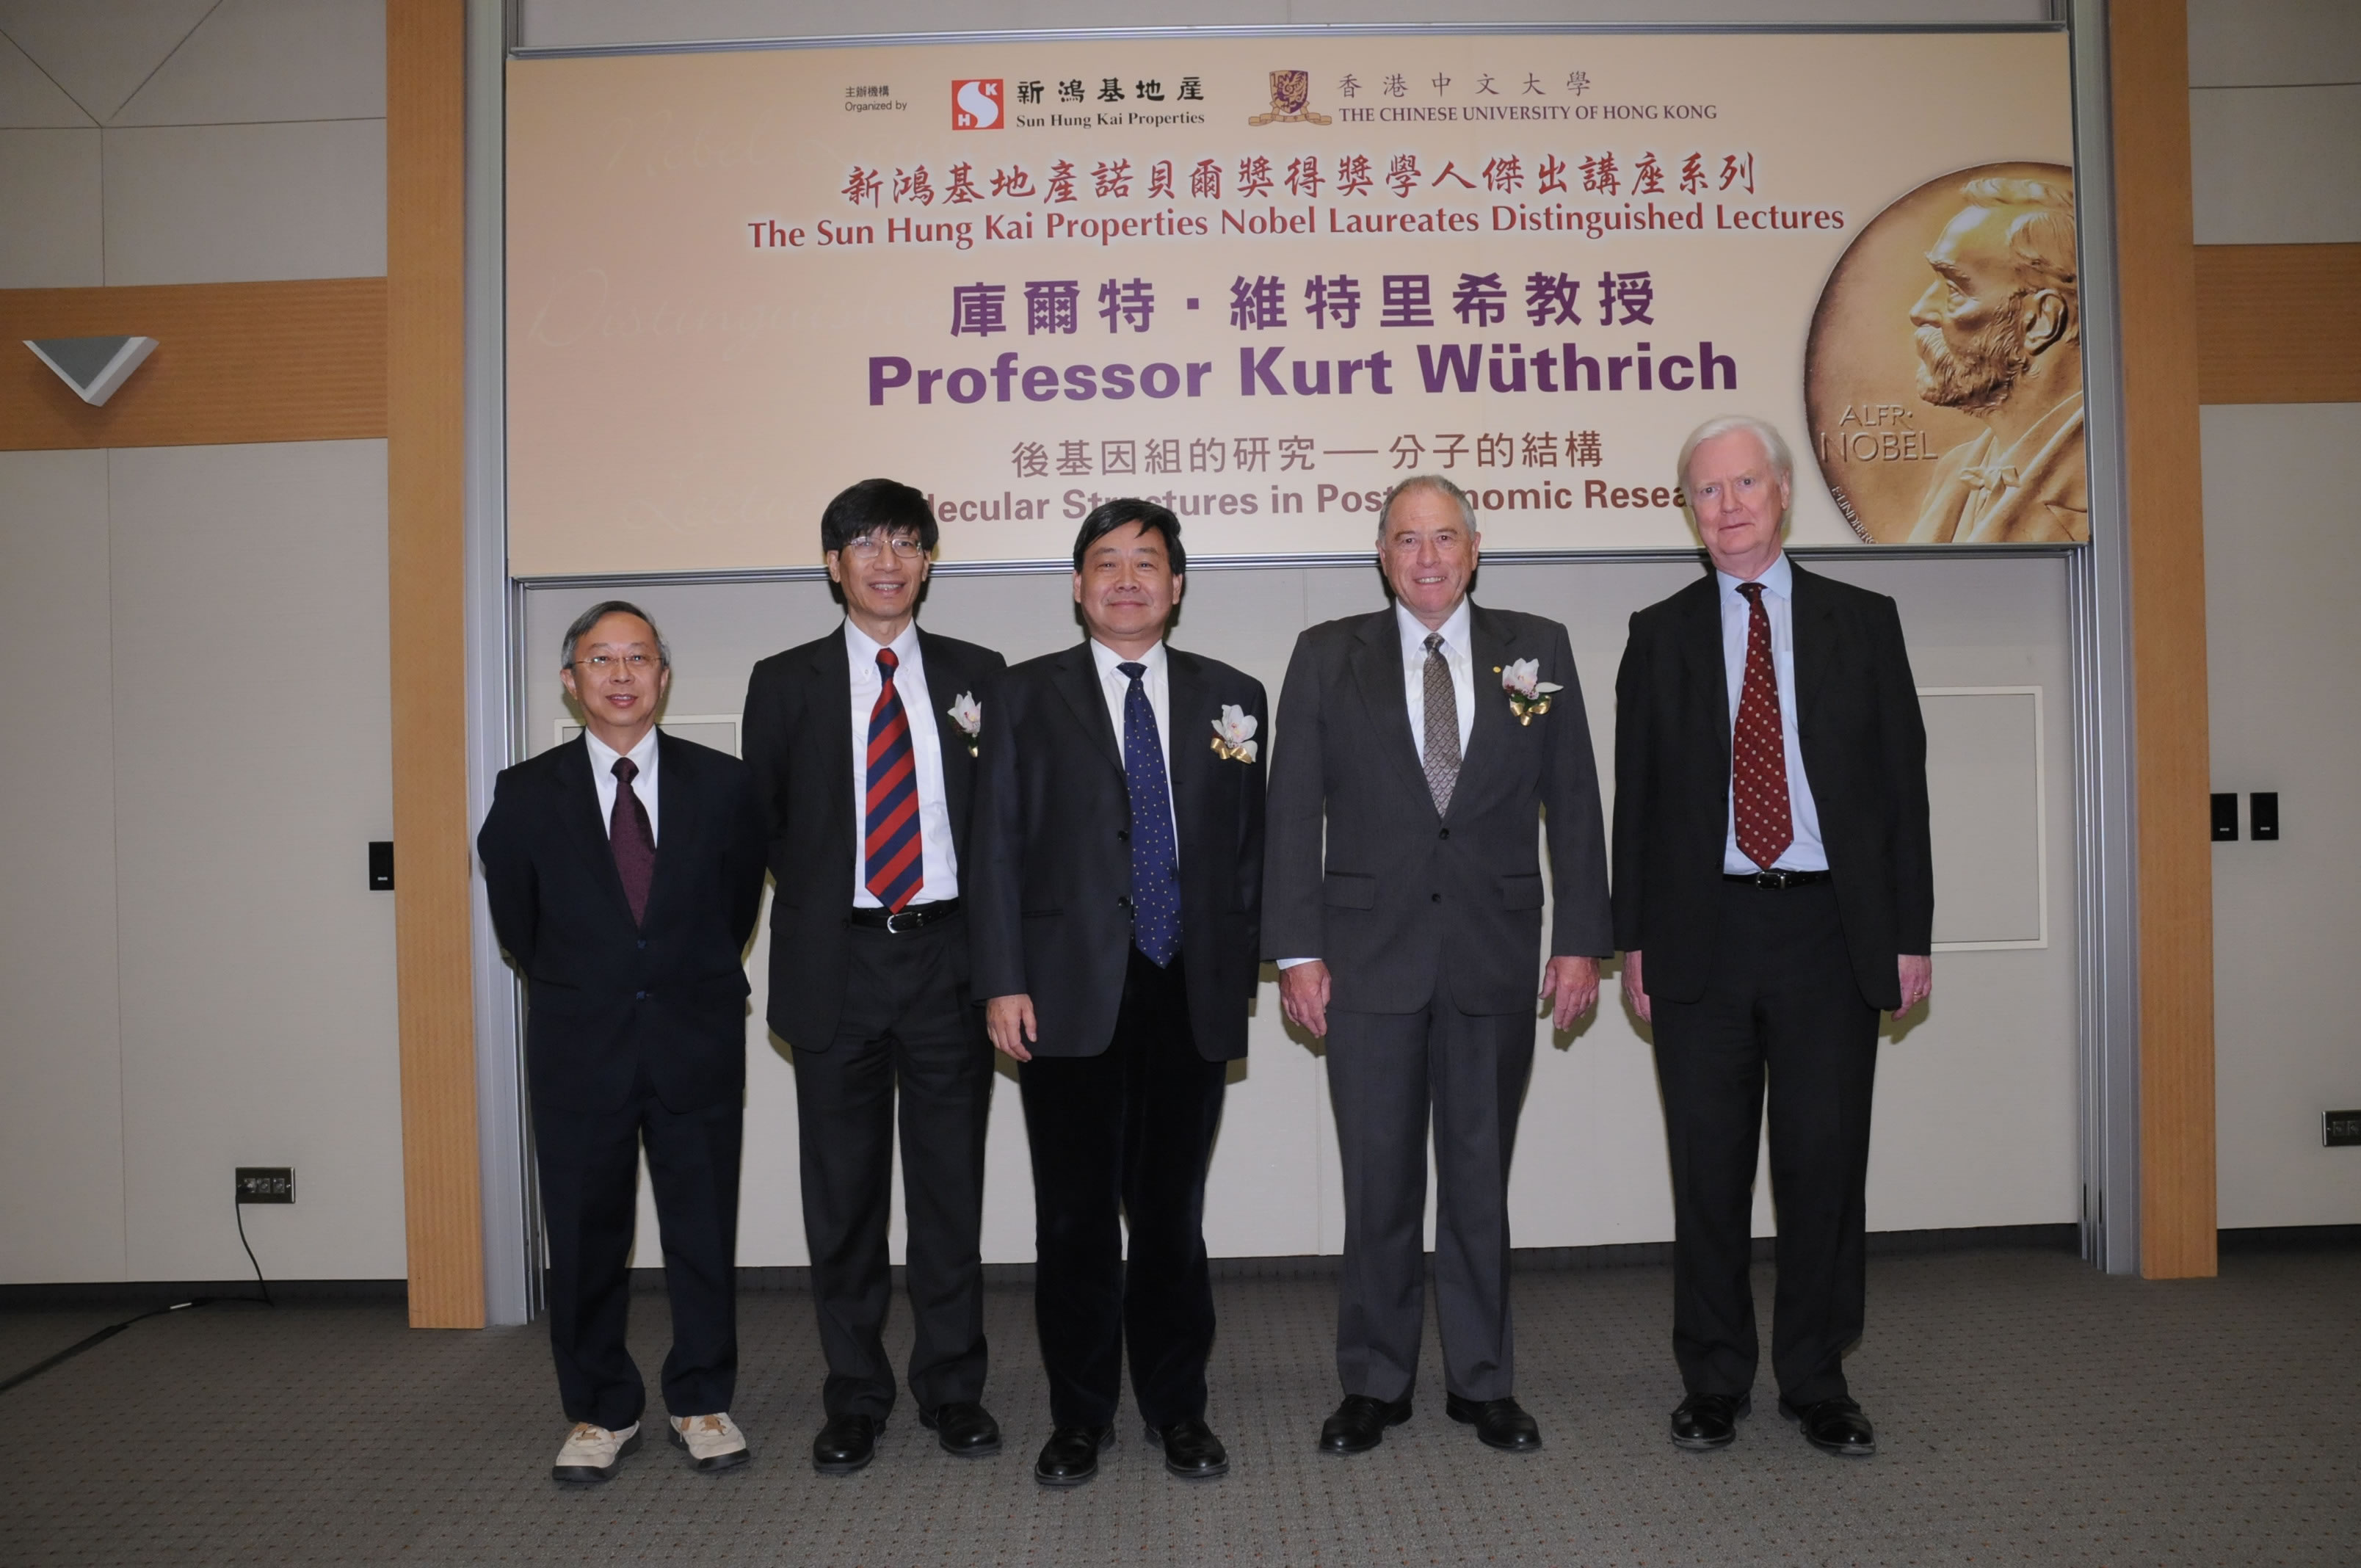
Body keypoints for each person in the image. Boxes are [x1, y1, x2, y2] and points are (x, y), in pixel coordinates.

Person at [1263, 473, 1611, 1459]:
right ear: (1383, 555)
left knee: (1476, 1178)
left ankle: (1483, 1382)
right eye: (1407, 539)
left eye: (1444, 537)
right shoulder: (1328, 655)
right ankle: (1373, 1384)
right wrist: (1296, 951)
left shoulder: (1535, 650)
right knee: (1377, 1184)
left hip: (1493, 956)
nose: (1426, 556)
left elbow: (1577, 803)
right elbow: (1292, 810)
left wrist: (1582, 939)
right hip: (1365, 961)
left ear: (1474, 547)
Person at [1614, 415, 1934, 1459]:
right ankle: (1713, 1380)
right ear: (1689, 508)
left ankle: (1818, 1378)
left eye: (1745, 484)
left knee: (1823, 1166)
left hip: (1829, 929)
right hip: (1701, 931)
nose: (1728, 506)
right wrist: (1634, 943)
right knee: (1706, 1171)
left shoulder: (1863, 622)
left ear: (1783, 493)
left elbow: (1902, 794)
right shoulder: (1656, 635)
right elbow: (1641, 806)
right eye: (1706, 491)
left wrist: (1909, 933)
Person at [970, 499, 1267, 1487]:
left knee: (1173, 1214)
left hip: (1189, 985)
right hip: (1064, 994)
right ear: (1077, 586)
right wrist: (1002, 979)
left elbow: (1249, 853)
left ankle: (1179, 1410)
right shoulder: (1023, 695)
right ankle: (1080, 1416)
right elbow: (997, 847)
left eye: (1148, 563)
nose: (1128, 579)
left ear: (1178, 586)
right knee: (1075, 1219)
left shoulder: (1236, 698)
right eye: (1107, 563)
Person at [741, 479, 1009, 1476]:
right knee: (843, 1198)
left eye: (905, 542)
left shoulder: (982, 675)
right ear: (833, 563)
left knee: (949, 1192)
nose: (886, 561)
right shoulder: (785, 681)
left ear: (930, 561)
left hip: (950, 959)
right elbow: (763, 827)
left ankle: (953, 1387)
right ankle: (854, 1393)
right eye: (865, 543)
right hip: (839, 960)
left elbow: (1002, 830)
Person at [477, 600, 768, 1483]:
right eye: (600, 659)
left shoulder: (724, 785)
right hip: (581, 1048)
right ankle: (600, 1409)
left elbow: (733, 911)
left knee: (701, 1232)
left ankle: (703, 1398)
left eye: (638, 657)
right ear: (571, 683)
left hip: (696, 1040)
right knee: (585, 1236)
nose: (621, 674)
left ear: (663, 677)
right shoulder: (525, 794)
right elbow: (520, 929)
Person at [1905, 176, 2086, 544]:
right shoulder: (1956, 472)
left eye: (1954, 289)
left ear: (2041, 320)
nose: (1920, 311)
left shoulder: (2102, 485)